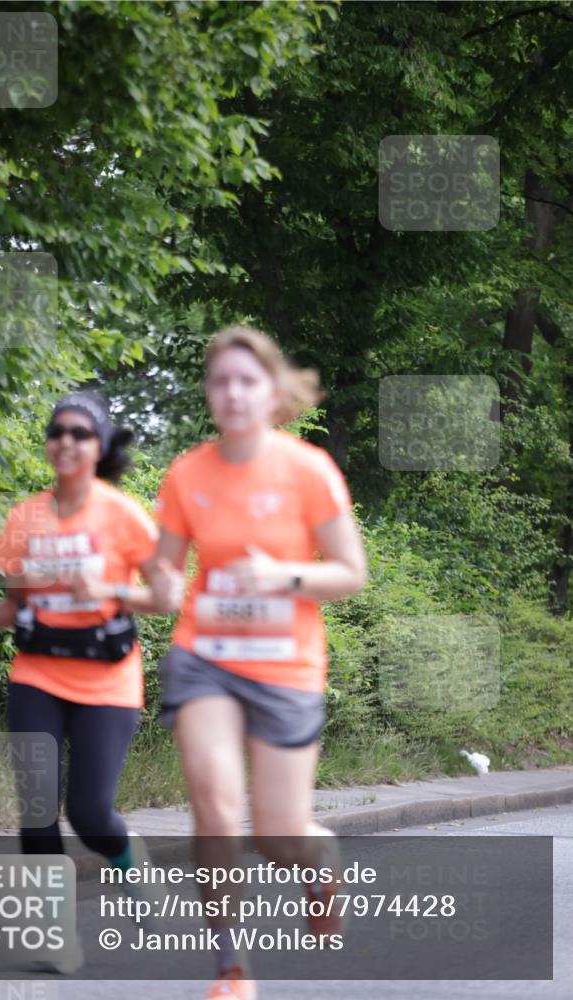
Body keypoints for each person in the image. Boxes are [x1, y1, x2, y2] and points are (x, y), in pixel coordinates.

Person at [153, 326, 368, 999]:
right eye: (219, 382)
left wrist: (282, 575)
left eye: (246, 381)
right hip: (205, 656)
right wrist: (155, 585)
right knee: (214, 809)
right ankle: (232, 969)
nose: (232, 393)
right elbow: (165, 573)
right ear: (209, 394)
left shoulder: (307, 470)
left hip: (285, 663)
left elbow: (349, 572)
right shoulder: (188, 473)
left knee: (278, 838)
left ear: (271, 391)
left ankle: (318, 857)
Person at [0, 389, 183, 972]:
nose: (66, 440)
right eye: (57, 431)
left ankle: (128, 864)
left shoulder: (123, 515)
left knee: (90, 811)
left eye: (81, 433)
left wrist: (113, 591)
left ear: (100, 446)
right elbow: (20, 606)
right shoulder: (24, 518)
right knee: (37, 808)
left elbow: (167, 596)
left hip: (107, 679)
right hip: (37, 671)